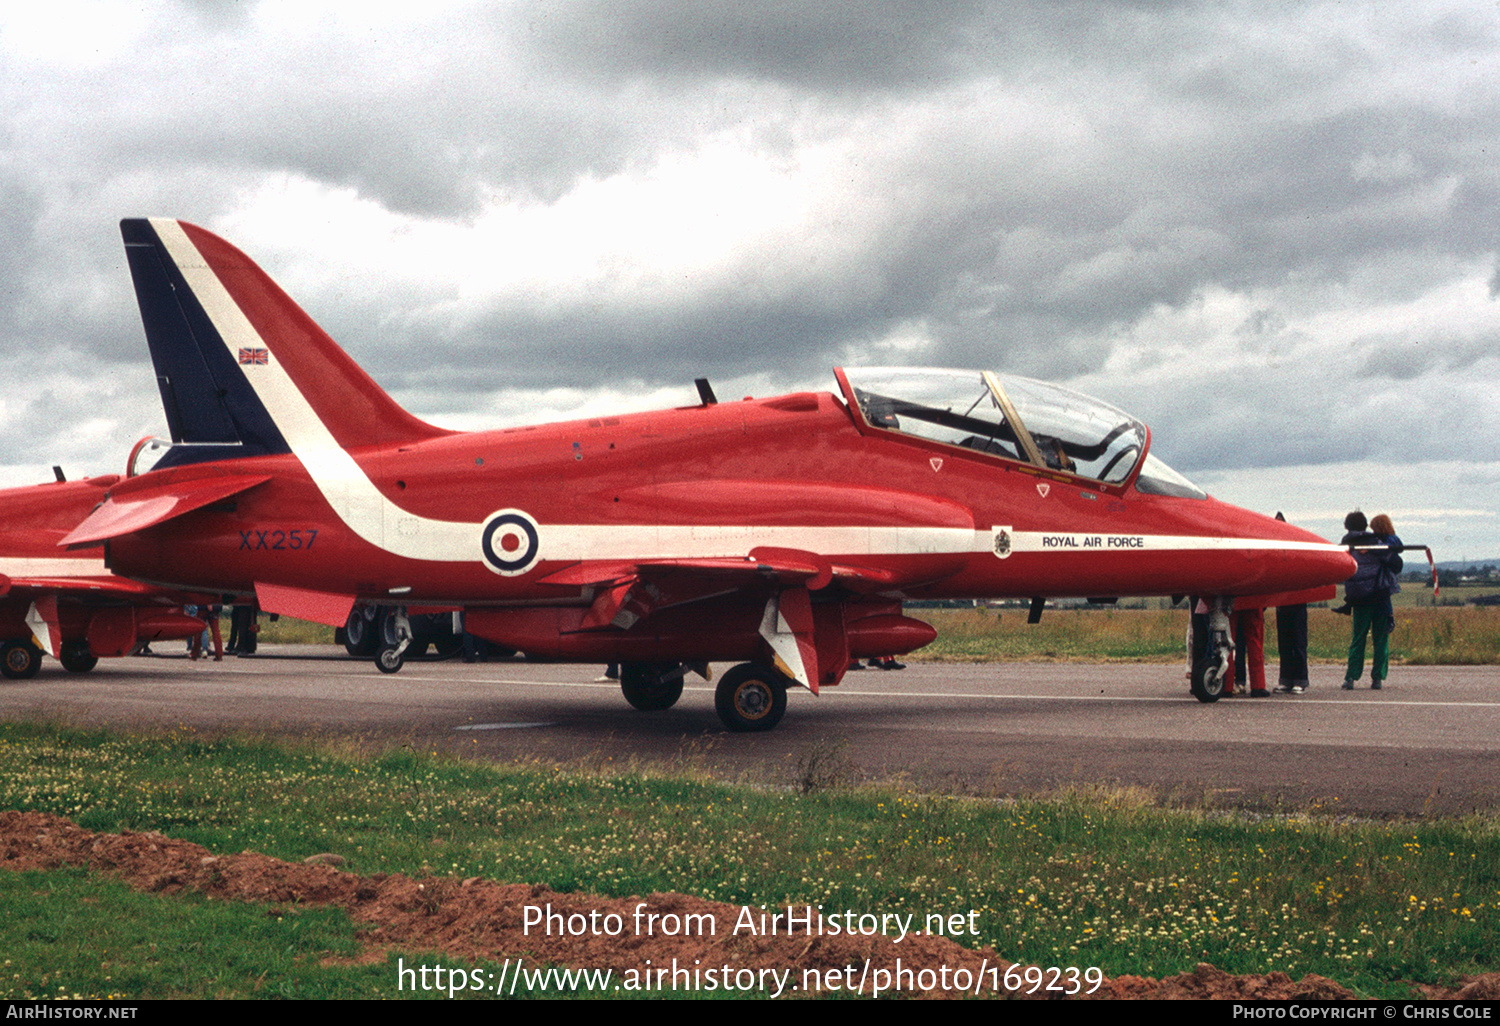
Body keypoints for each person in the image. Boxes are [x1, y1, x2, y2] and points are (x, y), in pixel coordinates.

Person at [1341, 511, 1402, 690]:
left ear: (1347, 526)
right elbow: (1396, 563)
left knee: (1358, 638)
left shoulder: (1345, 545)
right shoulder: (1376, 543)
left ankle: (1351, 677)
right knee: (1381, 638)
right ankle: (1377, 678)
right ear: (1365, 525)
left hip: (1358, 598)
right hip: (1379, 596)